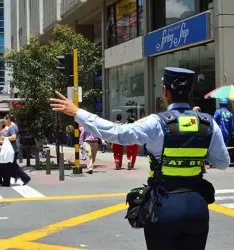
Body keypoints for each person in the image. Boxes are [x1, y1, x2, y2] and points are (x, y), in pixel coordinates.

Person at [50, 67, 230, 250]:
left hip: (164, 205)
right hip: (197, 206)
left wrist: (77, 112)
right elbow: (222, 162)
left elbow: (118, 133)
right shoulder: (208, 123)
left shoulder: (157, 122)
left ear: (165, 91)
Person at [2, 115, 30, 186]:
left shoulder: (12, 127)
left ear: (8, 119)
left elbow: (13, 137)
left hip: (12, 149)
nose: (4, 122)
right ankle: (16, 177)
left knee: (11, 165)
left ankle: (25, 177)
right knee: (11, 165)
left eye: (4, 120)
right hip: (13, 149)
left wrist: (5, 138)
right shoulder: (13, 127)